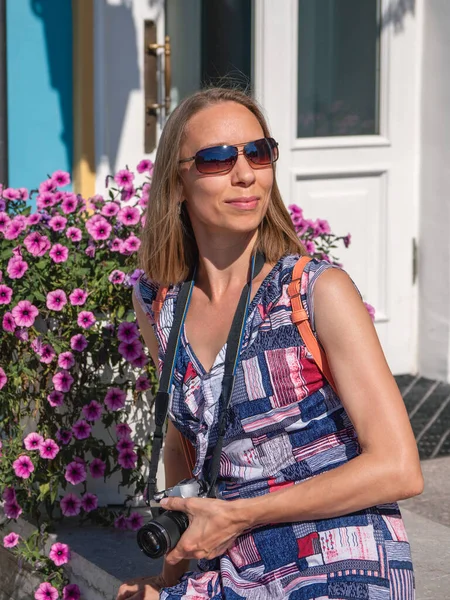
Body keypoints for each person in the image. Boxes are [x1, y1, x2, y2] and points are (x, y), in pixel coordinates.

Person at [117, 87, 423, 600]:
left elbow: (398, 468)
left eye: (258, 153)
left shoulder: (316, 291)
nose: (245, 175)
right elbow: (180, 443)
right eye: (217, 159)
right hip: (233, 556)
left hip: (337, 556)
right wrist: (169, 575)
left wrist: (238, 516)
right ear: (177, 183)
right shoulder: (156, 301)